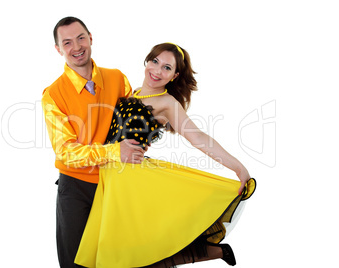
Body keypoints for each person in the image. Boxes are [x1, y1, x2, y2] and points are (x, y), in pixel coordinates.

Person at [74, 43, 256, 267]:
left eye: (167, 68)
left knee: (133, 257)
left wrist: (239, 168)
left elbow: (198, 138)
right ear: (147, 61)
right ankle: (213, 251)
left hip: (131, 181)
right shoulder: (130, 93)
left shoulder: (167, 103)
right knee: (125, 255)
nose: (157, 71)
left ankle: (213, 251)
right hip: (108, 178)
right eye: (155, 62)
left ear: (174, 75)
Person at [41, 17, 147, 268]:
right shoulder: (53, 94)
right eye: (67, 42)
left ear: (90, 38)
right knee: (77, 262)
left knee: (123, 259)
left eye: (80, 38)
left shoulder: (117, 79)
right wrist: (114, 151)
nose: (76, 46)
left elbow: (133, 131)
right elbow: (66, 152)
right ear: (58, 49)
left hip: (116, 183)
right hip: (76, 189)